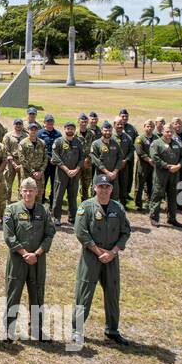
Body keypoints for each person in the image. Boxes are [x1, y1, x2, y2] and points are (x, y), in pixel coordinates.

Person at [72, 174, 130, 345]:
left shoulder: (117, 208)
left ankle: (112, 330)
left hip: (111, 258)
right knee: (84, 293)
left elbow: (126, 232)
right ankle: (77, 330)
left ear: (111, 189)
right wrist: (99, 252)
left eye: (107, 187)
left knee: (113, 293)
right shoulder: (86, 207)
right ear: (95, 188)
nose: (104, 190)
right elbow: (81, 232)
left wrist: (113, 252)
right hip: (91, 257)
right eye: (101, 186)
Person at [1, 177, 56, 340]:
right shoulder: (11, 210)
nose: (28, 193)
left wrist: (37, 253)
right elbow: (9, 236)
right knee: (13, 294)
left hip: (37, 260)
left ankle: (36, 329)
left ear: (37, 192)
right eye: (25, 190)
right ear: (20, 192)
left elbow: (49, 234)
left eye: (31, 190)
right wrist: (25, 253)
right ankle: (9, 330)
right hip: (18, 259)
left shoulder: (44, 211)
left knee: (37, 293)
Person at [148, 125, 182, 227]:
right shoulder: (156, 143)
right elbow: (154, 157)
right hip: (161, 175)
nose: (169, 134)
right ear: (162, 132)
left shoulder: (177, 144)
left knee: (173, 196)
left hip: (174, 175)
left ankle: (172, 218)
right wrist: (167, 166)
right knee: (157, 195)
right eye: (167, 132)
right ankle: (154, 218)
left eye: (171, 132)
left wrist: (178, 166)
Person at [49, 122, 84, 224]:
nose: (70, 130)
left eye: (72, 129)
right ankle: (56, 218)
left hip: (75, 174)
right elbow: (55, 157)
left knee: (73, 196)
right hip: (61, 173)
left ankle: (72, 217)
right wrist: (66, 170)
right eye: (68, 128)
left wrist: (76, 170)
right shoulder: (58, 141)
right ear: (64, 129)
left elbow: (82, 158)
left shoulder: (78, 142)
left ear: (74, 130)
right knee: (58, 196)